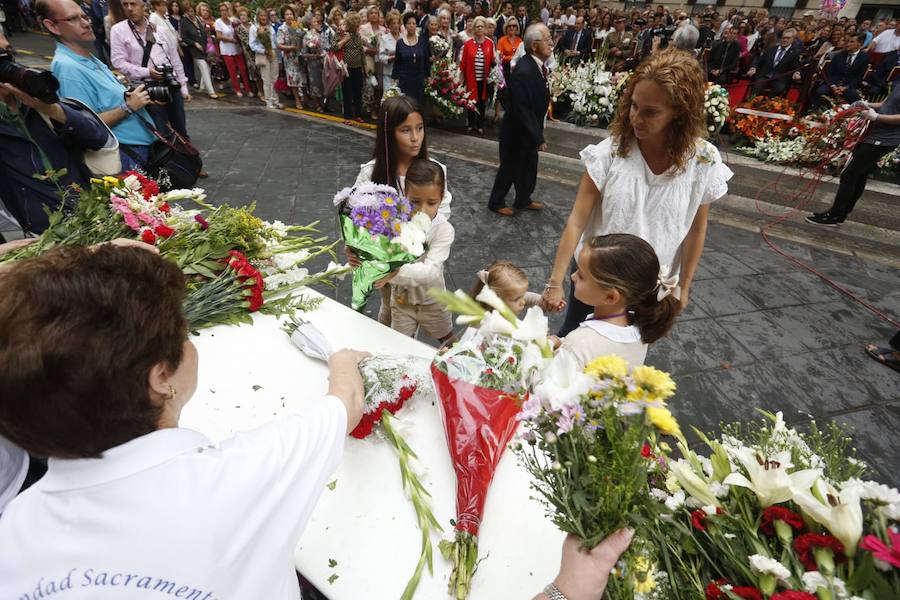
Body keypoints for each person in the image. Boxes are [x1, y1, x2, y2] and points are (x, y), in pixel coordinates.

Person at [0, 242, 368, 598]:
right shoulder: (238, 474)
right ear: (160, 377)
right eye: (183, 334)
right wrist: (342, 360)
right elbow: (345, 404)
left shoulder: (16, 526)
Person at [542, 49, 732, 336]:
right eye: (633, 106)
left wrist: (685, 284)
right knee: (575, 338)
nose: (636, 118)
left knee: (627, 350)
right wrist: (555, 281)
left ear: (679, 111)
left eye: (651, 111)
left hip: (651, 283)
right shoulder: (611, 153)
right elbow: (577, 220)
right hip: (598, 275)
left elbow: (695, 228)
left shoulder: (703, 161)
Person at [351, 95, 452, 324]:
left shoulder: (435, 171)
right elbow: (356, 217)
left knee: (431, 318)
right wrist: (354, 246)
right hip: (387, 267)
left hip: (422, 267)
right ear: (388, 133)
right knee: (389, 309)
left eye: (419, 128)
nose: (415, 138)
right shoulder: (371, 174)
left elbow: (441, 217)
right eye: (406, 130)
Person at [0, 34, 111, 234]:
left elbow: (98, 138)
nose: (6, 64)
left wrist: (49, 108)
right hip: (44, 230)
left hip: (93, 211)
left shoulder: (36, 91)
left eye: (7, 53)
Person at [42, 0, 156, 171]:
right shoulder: (68, 68)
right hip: (125, 156)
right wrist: (129, 107)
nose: (86, 23)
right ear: (52, 26)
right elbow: (84, 126)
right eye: (73, 19)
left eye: (85, 16)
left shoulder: (87, 57)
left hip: (138, 149)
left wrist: (139, 98)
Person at [555, 234, 676, 370]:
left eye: (581, 276)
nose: (573, 276)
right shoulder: (640, 326)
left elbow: (547, 386)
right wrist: (561, 342)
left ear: (610, 297)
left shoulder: (578, 344)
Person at [375, 159, 455, 344]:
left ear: (442, 197)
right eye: (415, 202)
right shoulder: (396, 222)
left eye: (431, 202)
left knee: (448, 340)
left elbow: (431, 271)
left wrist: (394, 272)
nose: (422, 210)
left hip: (432, 301)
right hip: (402, 301)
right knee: (401, 344)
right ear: (405, 194)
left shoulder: (443, 230)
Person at [806, 86, 900, 226]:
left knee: (850, 174)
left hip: (884, 139)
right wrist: (866, 104)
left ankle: (834, 215)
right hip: (875, 133)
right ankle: (841, 213)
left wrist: (877, 117)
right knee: (859, 174)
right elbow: (886, 103)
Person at [487, 23, 551, 217]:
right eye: (547, 40)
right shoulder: (524, 70)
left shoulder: (536, 66)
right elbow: (522, 108)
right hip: (517, 132)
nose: (551, 44)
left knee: (529, 166)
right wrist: (538, 137)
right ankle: (496, 202)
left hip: (527, 130)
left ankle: (523, 199)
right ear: (534, 46)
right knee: (510, 168)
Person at [110, 0, 191, 139]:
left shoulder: (161, 30)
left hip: (170, 83)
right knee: (159, 132)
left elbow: (175, 60)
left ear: (144, 5)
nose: (129, 8)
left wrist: (183, 86)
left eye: (133, 4)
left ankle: (187, 157)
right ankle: (167, 158)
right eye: (125, 4)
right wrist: (148, 72)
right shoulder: (118, 30)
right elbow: (118, 63)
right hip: (145, 87)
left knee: (181, 130)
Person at [807, 33, 869, 111]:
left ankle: (847, 119)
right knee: (820, 92)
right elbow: (828, 72)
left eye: (851, 42)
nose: (848, 44)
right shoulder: (839, 55)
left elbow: (859, 77)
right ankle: (812, 113)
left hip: (848, 86)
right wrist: (833, 86)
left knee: (855, 97)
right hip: (832, 83)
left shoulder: (864, 58)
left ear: (860, 44)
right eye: (848, 41)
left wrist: (845, 87)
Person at [459, 15, 493, 134]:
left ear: (485, 28)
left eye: (482, 26)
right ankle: (471, 124)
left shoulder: (490, 43)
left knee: (482, 102)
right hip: (471, 78)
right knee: (471, 101)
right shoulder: (468, 43)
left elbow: (493, 61)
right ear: (474, 28)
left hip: (484, 79)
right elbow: (463, 62)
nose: (479, 28)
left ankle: (480, 125)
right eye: (477, 26)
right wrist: (461, 78)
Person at [471, 260, 541, 316]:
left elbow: (527, 297)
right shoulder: (488, 326)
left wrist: (542, 300)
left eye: (522, 296)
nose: (523, 302)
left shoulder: (497, 308)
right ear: (495, 300)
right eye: (516, 300)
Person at [747, 27, 802, 97]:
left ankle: (769, 105)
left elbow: (796, 66)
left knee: (779, 89)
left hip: (780, 78)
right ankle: (751, 103)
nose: (785, 40)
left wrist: (797, 73)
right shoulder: (772, 48)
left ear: (793, 40)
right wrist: (753, 68)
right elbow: (760, 60)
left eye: (788, 38)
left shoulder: (795, 52)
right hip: (765, 75)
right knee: (756, 85)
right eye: (783, 38)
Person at [180, 0, 217, 98]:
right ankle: (211, 91)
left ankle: (202, 87)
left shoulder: (197, 19)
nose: (191, 13)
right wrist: (194, 43)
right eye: (188, 11)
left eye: (192, 11)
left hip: (204, 46)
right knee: (204, 67)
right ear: (185, 12)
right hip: (194, 49)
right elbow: (184, 37)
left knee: (208, 67)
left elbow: (202, 31)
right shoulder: (184, 22)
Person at [214, 1, 251, 97]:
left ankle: (247, 89)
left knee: (242, 69)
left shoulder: (232, 21)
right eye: (222, 10)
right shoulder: (218, 22)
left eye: (225, 10)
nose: (224, 12)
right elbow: (218, 36)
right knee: (232, 70)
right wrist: (230, 39)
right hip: (227, 49)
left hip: (236, 48)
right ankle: (237, 89)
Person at [392, 12, 428, 105]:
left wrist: (427, 76)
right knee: (406, 105)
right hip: (405, 79)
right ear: (405, 26)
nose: (411, 26)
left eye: (414, 23)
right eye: (409, 23)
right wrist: (394, 79)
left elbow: (426, 60)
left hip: (419, 79)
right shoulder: (400, 43)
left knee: (418, 105)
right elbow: (397, 62)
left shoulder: (422, 41)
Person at [336, 11, 364, 124]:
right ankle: (347, 116)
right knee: (347, 92)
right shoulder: (341, 34)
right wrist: (344, 40)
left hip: (357, 67)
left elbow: (361, 51)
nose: (357, 27)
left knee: (358, 91)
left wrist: (364, 66)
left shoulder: (358, 35)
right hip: (346, 68)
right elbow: (333, 48)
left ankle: (358, 114)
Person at [249, 7, 279, 109]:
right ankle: (269, 101)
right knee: (267, 79)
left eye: (265, 15)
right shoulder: (254, 28)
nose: (263, 17)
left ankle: (275, 99)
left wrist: (274, 51)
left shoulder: (270, 26)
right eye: (261, 15)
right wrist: (264, 50)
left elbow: (274, 41)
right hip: (263, 54)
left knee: (274, 78)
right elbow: (252, 45)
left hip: (273, 53)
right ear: (258, 16)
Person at [276, 6, 303, 109]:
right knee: (294, 79)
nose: (289, 16)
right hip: (290, 57)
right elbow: (279, 45)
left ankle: (305, 98)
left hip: (300, 56)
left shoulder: (297, 26)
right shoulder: (282, 29)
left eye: (290, 14)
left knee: (302, 78)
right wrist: (291, 47)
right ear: (284, 16)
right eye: (287, 14)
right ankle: (297, 100)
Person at [303, 13, 328, 112]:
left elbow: (326, 47)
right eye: (314, 22)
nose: (317, 23)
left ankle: (325, 103)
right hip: (313, 63)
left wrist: (323, 54)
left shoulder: (321, 34)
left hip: (322, 61)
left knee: (324, 83)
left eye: (317, 22)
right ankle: (317, 104)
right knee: (315, 83)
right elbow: (304, 53)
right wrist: (314, 55)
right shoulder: (306, 37)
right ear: (310, 24)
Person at [378, 11, 401, 90]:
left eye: (397, 23)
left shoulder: (404, 38)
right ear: (389, 25)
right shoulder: (384, 38)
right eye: (393, 23)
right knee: (389, 98)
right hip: (389, 74)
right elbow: (381, 57)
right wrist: (391, 58)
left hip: (402, 74)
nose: (395, 25)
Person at [496, 17, 521, 82]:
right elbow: (499, 57)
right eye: (509, 26)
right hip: (505, 70)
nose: (511, 28)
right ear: (506, 27)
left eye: (514, 26)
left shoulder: (520, 40)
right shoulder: (501, 40)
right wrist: (512, 58)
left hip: (517, 70)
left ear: (517, 28)